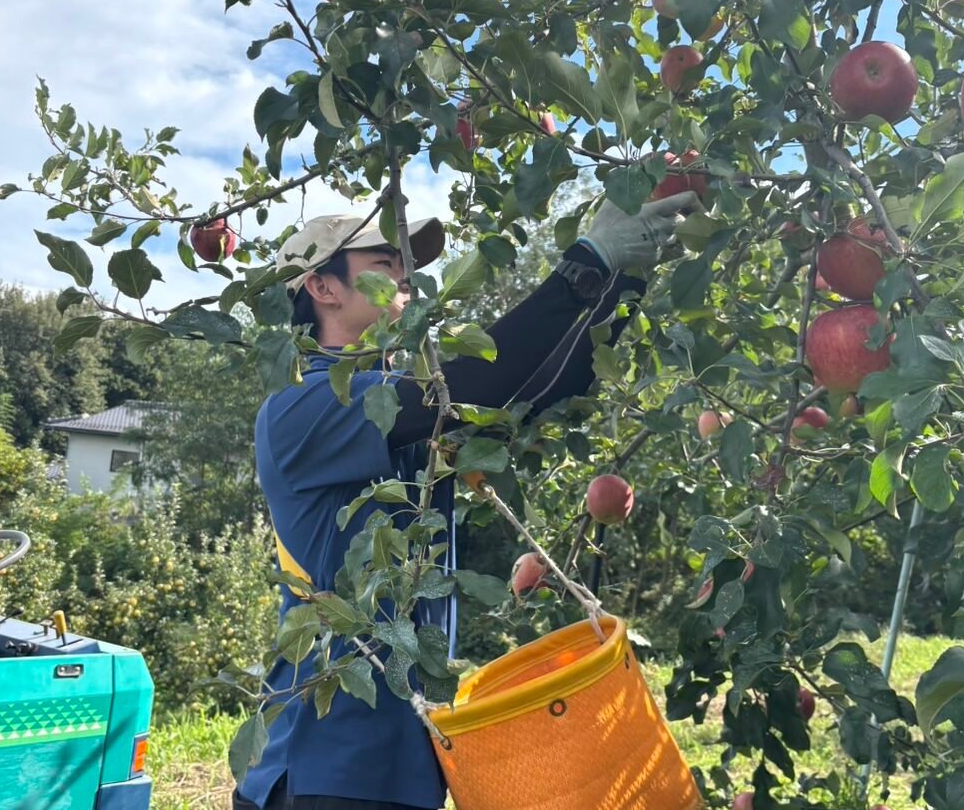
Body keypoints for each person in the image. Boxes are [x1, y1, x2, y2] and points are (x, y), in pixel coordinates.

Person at [234, 190, 700, 810]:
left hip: (405, 768)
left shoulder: (406, 408)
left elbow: (543, 388)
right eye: (385, 262)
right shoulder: (302, 407)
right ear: (322, 287)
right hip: (321, 767)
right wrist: (587, 261)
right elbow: (478, 380)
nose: (407, 277)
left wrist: (624, 280)